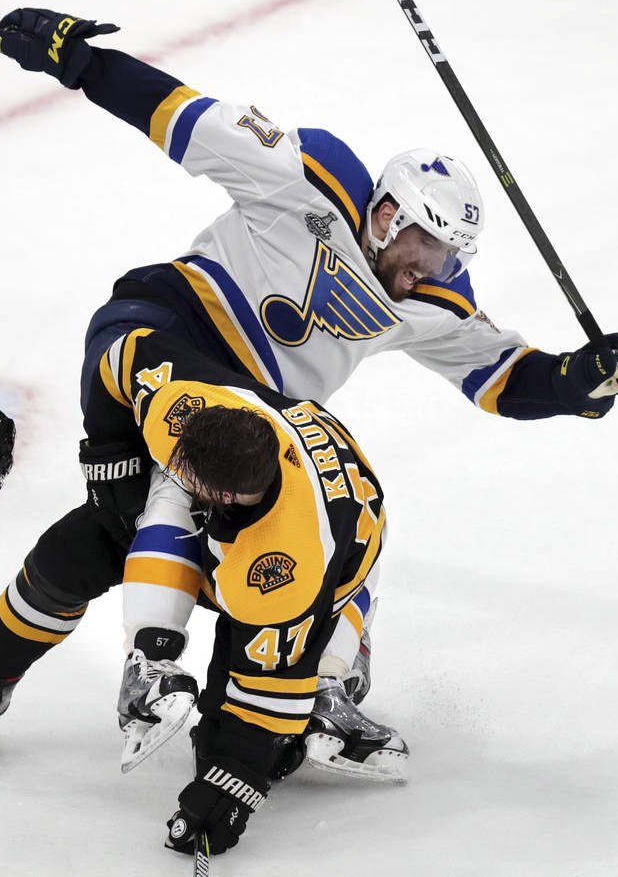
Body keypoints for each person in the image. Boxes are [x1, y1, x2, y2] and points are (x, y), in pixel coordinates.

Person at [0, 7, 618, 769]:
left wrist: (578, 377)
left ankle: (316, 683)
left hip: (247, 436)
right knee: (161, 516)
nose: (434, 269)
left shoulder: (431, 301)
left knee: (138, 545)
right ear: (387, 216)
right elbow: (182, 117)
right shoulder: (311, 176)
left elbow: (502, 377)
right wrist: (83, 64)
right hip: (171, 333)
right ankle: (42, 673)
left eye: (451, 256)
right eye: (427, 246)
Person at [96, 327, 403, 855]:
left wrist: (230, 790)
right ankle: (149, 658)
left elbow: (267, 687)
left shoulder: (286, 562)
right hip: (299, 465)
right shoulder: (184, 408)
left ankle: (332, 673)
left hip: (346, 549)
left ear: (227, 495)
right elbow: (121, 354)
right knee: (165, 497)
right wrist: (104, 460)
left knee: (247, 714)